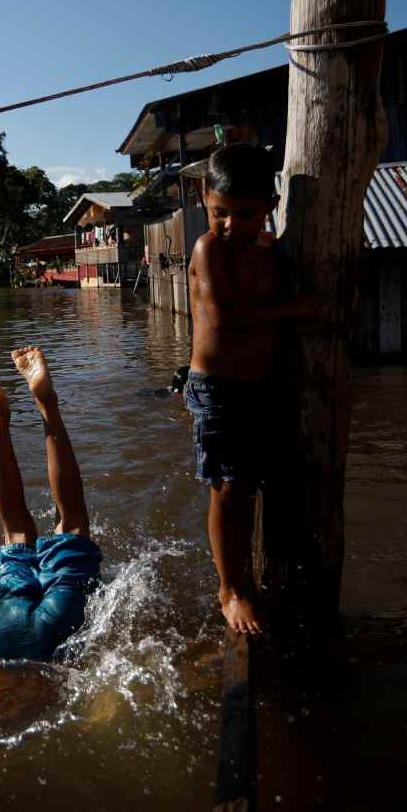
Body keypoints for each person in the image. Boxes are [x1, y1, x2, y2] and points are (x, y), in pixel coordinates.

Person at [183, 142, 314, 635]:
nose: (232, 225)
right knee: (228, 488)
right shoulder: (208, 248)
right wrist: (297, 309)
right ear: (203, 199)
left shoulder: (268, 252)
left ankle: (249, 576)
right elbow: (226, 319)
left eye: (247, 214)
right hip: (216, 388)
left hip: (259, 387)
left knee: (255, 486)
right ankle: (229, 589)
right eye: (221, 213)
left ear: (270, 208)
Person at [0, 346, 102, 665]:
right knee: (17, 531)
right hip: (11, 623)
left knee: (70, 522)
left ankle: (11, 413)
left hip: (33, 633)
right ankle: (5, 416)